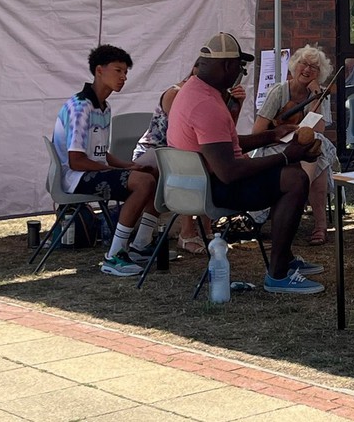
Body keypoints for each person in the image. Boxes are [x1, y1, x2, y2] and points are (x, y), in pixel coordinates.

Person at [167, 32, 325, 294]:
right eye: (240, 68)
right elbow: (229, 171)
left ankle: (284, 257)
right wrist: (287, 155)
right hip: (212, 190)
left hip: (193, 184)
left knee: (289, 173)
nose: (241, 74)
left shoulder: (193, 92)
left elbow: (221, 144)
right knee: (294, 178)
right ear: (228, 66)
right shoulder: (206, 104)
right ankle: (278, 274)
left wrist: (271, 135)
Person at [52, 44, 160, 277]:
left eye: (126, 72)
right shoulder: (81, 107)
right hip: (75, 178)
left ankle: (141, 245)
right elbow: (76, 161)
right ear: (99, 70)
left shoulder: (104, 107)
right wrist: (114, 169)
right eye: (118, 70)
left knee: (154, 173)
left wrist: (129, 166)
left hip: (90, 172)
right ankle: (114, 256)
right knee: (144, 182)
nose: (123, 77)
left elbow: (99, 153)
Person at [132, 67, 247, 254]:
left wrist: (236, 105)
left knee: (208, 160)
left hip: (182, 152)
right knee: (192, 162)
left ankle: (205, 229)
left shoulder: (212, 97)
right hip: (156, 151)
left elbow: (224, 133)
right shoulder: (177, 94)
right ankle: (186, 233)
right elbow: (183, 133)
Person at [252, 44, 338, 245]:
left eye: (314, 67)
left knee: (317, 150)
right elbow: (258, 131)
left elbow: (319, 129)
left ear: (319, 74)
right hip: (275, 145)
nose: (307, 70)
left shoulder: (320, 93)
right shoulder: (279, 92)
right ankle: (309, 214)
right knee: (316, 158)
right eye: (303, 64)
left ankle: (317, 223)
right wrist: (282, 131)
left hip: (306, 146)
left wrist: (316, 97)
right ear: (294, 66)